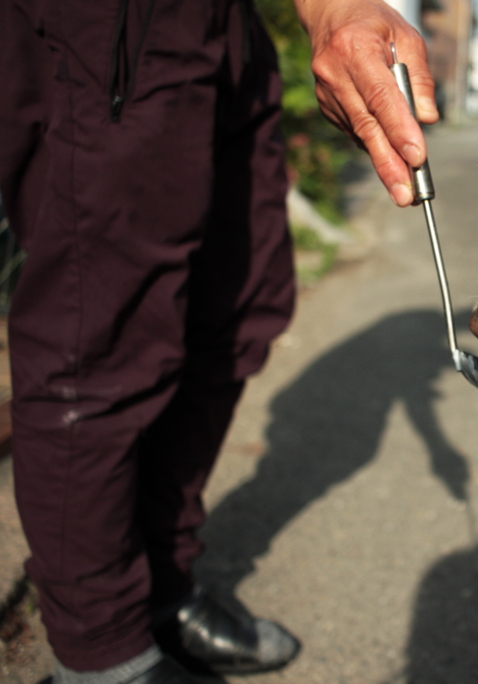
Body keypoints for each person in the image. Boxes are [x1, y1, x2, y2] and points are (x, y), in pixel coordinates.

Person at [0, 0, 435, 683]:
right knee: (102, 335)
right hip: (108, 23)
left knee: (238, 304)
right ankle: (101, 650)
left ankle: (160, 585)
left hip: (223, 24)